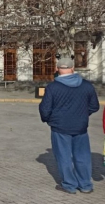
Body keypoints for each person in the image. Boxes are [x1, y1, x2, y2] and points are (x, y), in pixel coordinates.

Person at [39, 57, 99, 194]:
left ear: (57, 69)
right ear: (73, 69)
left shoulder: (53, 87)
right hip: (81, 127)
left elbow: (45, 109)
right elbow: (94, 106)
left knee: (64, 156)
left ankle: (69, 185)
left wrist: (49, 120)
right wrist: (83, 115)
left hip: (60, 127)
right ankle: (85, 185)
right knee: (83, 156)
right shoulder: (87, 85)